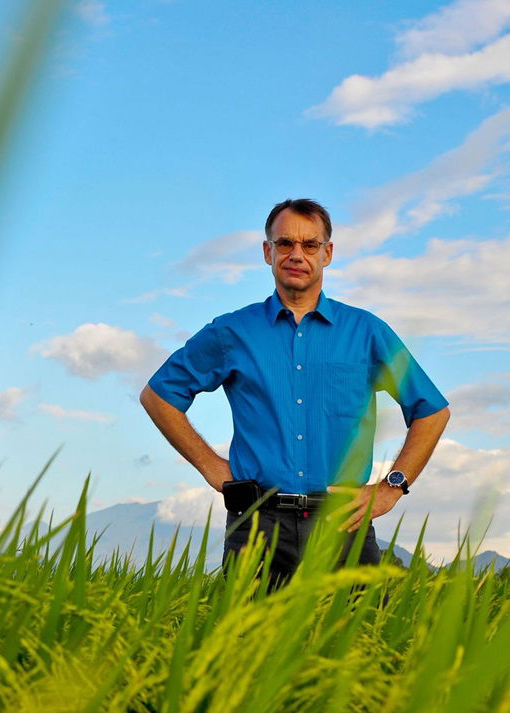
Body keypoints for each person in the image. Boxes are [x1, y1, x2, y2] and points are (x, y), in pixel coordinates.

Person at [139, 198, 450, 586]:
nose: (296, 254)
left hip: (343, 525)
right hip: (257, 527)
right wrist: (211, 467)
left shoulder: (366, 331)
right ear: (268, 252)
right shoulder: (232, 332)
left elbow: (432, 410)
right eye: (285, 243)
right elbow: (158, 395)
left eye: (310, 245)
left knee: (358, 645)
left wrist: (392, 487)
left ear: (328, 253)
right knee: (248, 647)